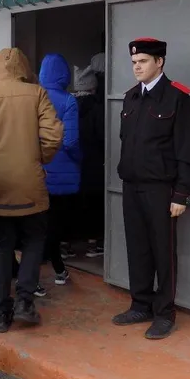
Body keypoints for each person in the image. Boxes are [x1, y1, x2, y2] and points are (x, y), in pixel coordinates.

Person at [114, 38, 190, 340]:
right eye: (134, 63)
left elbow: (186, 149)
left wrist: (181, 194)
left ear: (159, 62)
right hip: (132, 186)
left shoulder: (177, 98)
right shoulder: (131, 97)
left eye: (143, 62)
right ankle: (141, 305)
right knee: (137, 248)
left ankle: (164, 313)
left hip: (161, 190)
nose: (137, 67)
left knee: (163, 253)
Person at [0, 48, 62, 333]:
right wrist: (39, 159)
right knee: (34, 242)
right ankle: (25, 301)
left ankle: (1, 313)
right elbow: (53, 135)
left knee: (0, 247)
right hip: (30, 184)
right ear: (24, 67)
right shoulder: (37, 93)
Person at [38, 54, 81, 286]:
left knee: (39, 221)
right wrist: (79, 160)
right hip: (62, 169)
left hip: (37, 169)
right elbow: (71, 141)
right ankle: (58, 268)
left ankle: (40, 265)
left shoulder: (35, 97)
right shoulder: (68, 101)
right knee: (56, 221)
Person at [73, 62, 106, 257]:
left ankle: (68, 243)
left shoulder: (69, 105)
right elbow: (103, 136)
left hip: (74, 163)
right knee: (95, 203)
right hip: (94, 162)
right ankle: (95, 244)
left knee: (75, 203)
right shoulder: (98, 108)